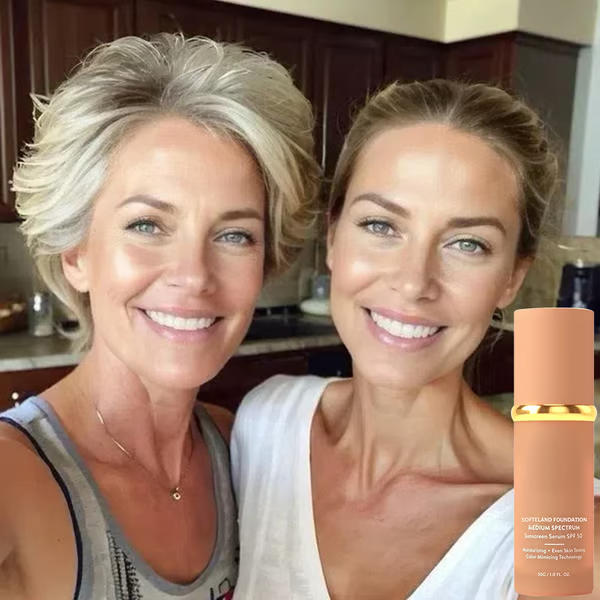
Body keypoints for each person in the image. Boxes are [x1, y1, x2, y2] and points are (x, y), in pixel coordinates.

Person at [231, 79, 600, 600]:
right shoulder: (263, 424)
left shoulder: (560, 526)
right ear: (333, 237)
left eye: (467, 243)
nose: (413, 282)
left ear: (512, 278)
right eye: (381, 225)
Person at [0, 33, 319, 600]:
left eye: (234, 234)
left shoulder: (242, 450)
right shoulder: (14, 475)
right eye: (147, 225)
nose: (194, 275)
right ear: (76, 255)